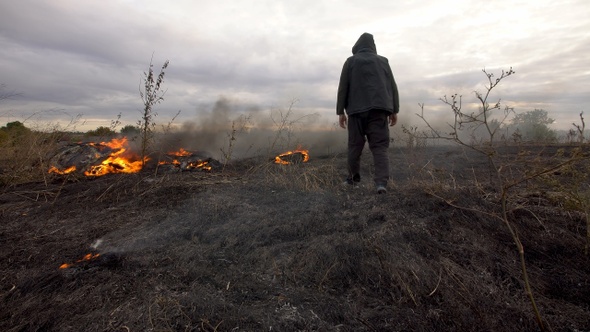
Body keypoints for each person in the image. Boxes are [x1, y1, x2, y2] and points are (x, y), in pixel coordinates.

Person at [336, 32, 399, 194]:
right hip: (379, 110)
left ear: (357, 47)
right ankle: (381, 184)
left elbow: (343, 87)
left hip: (356, 111)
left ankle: (352, 179)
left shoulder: (350, 62)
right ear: (373, 47)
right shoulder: (383, 61)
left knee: (354, 146)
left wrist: (340, 112)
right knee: (379, 147)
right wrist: (394, 110)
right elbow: (392, 86)